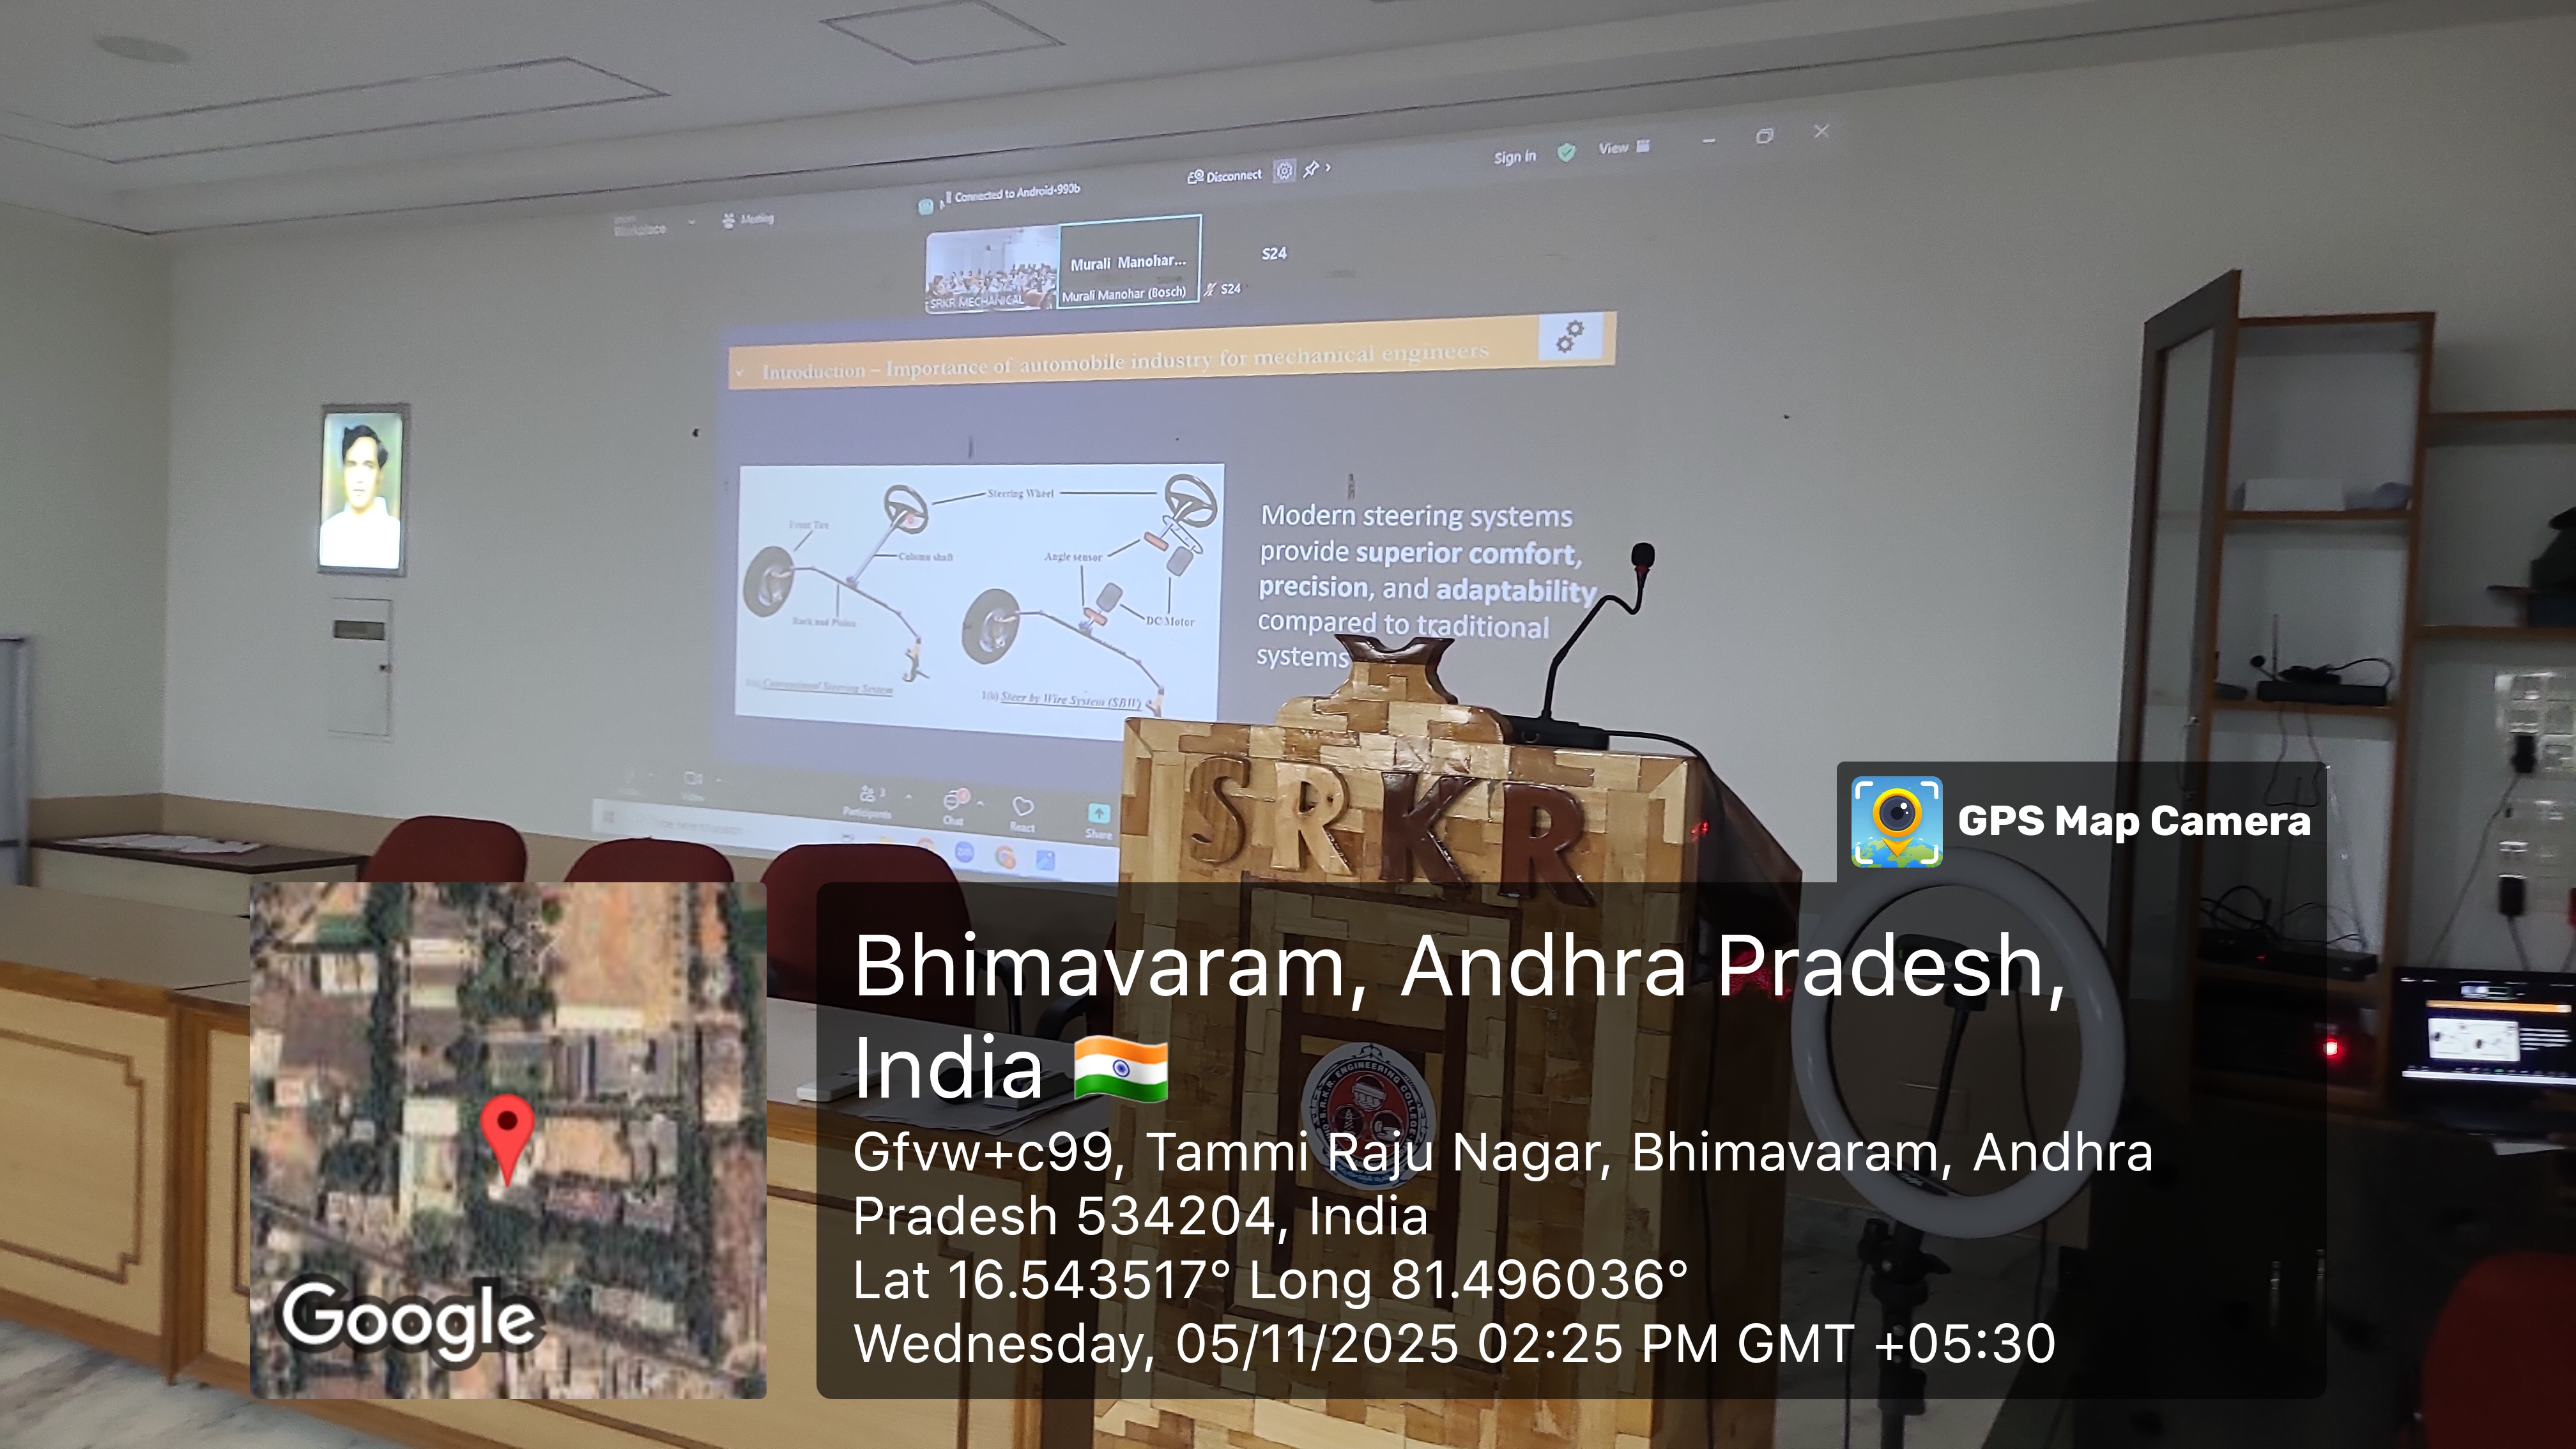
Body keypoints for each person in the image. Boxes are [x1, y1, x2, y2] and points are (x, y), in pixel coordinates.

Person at [319, 423, 401, 569]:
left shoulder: (397, 534)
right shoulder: (327, 533)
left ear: (380, 475)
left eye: (369, 466)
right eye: (352, 465)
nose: (359, 477)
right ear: (343, 473)